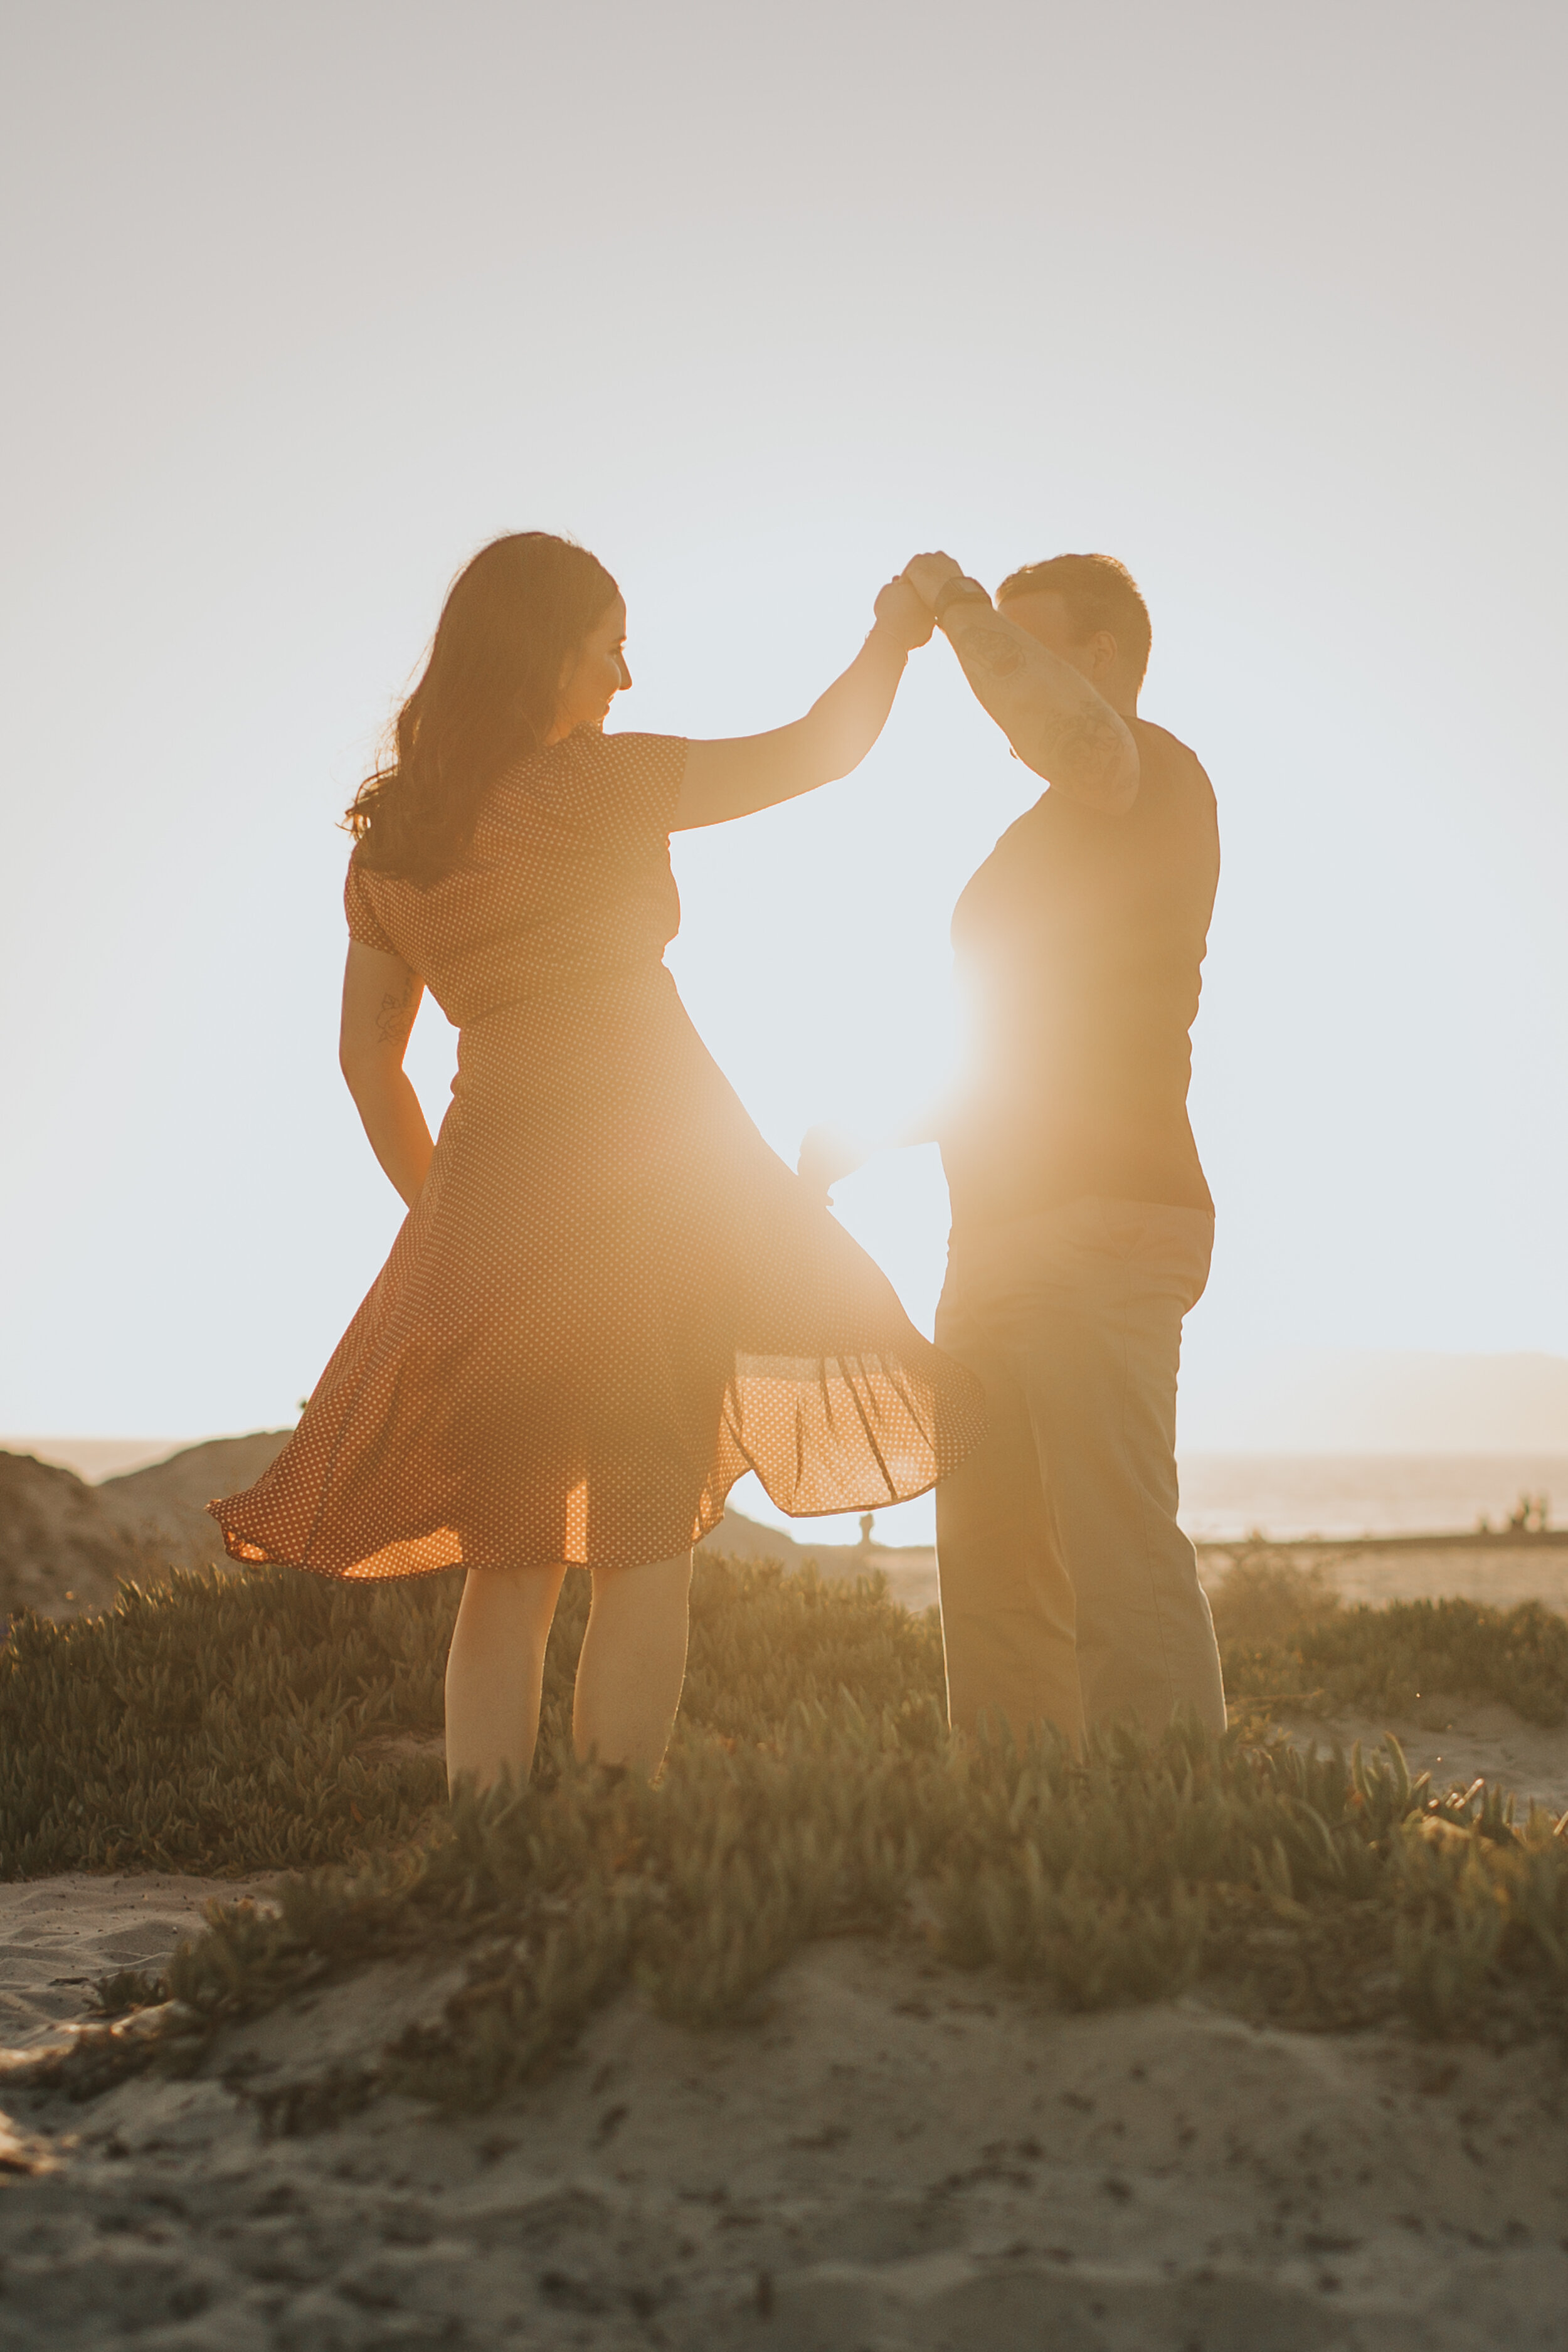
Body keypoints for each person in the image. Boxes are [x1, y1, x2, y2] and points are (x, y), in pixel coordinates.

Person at [211, 532, 984, 1791]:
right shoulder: (597, 785)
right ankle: (607, 1843)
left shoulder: (393, 844)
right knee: (643, 1542)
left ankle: (487, 1860)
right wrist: (893, 632)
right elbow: (821, 749)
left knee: (507, 1564)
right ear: (544, 653)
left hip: (492, 1212)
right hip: (653, 1203)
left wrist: (446, 1215)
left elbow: (368, 1064)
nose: (625, 677)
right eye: (610, 643)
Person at [800, 551, 1225, 1749]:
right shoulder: (1020, 848)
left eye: (1027, 653)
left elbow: (1085, 746)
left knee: (1115, 1544)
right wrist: (869, 1127)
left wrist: (963, 608)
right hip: (987, 1237)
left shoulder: (1155, 778)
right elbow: (1002, 1051)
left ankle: (1173, 1826)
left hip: (1110, 1218)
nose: (990, 688)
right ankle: (1019, 1823)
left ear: (1099, 661)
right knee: (991, 1563)